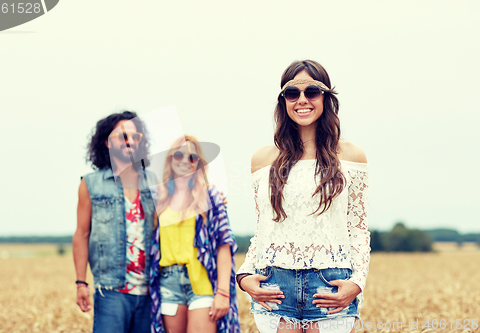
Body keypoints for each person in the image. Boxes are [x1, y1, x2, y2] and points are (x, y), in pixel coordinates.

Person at [236, 60, 370, 333]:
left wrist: (357, 283)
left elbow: (357, 227)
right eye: (292, 93)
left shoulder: (352, 156)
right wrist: (243, 276)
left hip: (330, 284)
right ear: (283, 100)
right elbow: (263, 228)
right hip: (274, 284)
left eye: (312, 91)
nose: (302, 100)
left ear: (326, 97)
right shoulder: (263, 159)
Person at [73, 111, 157, 333]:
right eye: (122, 136)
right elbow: (81, 234)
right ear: (106, 142)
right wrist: (81, 282)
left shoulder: (155, 182)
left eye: (134, 136)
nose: (129, 141)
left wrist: (215, 197)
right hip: (111, 290)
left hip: (152, 290)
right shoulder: (90, 184)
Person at [149, 135, 240, 333]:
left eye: (192, 157)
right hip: (168, 283)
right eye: (179, 155)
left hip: (202, 281)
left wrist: (223, 292)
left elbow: (224, 246)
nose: (184, 161)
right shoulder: (158, 198)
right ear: (170, 159)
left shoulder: (211, 197)